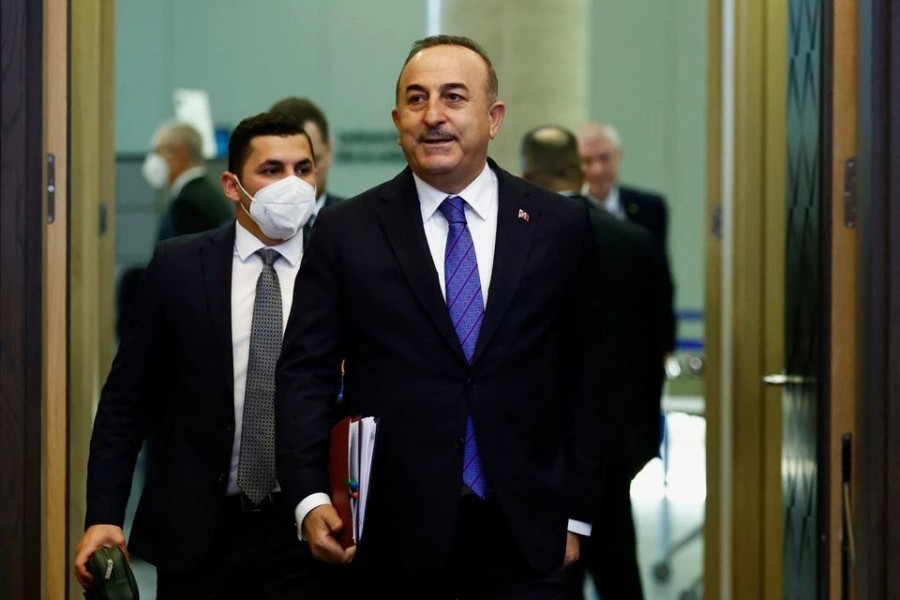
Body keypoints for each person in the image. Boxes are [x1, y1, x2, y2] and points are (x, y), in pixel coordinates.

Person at [274, 35, 607, 599]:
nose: (434, 116)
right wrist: (309, 498)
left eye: (454, 97)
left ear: (493, 116)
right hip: (386, 538)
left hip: (526, 532)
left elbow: (589, 378)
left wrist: (577, 514)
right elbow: (305, 373)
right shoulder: (346, 232)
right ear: (397, 116)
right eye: (417, 98)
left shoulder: (558, 226)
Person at [74, 112, 333, 599]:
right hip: (198, 531)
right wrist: (104, 515)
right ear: (233, 186)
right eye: (272, 170)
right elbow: (125, 403)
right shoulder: (178, 267)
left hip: (306, 530)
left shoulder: (339, 267)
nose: (292, 184)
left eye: (304, 169)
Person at [521, 125, 669, 599]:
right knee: (617, 568)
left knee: (547, 577)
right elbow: (657, 343)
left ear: (526, 172)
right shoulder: (634, 241)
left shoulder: (514, 241)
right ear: (578, 170)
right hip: (614, 446)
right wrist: (641, 439)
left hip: (536, 447)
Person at [576, 120, 676, 356]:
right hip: (585, 345)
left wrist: (665, 345)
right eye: (587, 161)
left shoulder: (650, 208)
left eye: (604, 158)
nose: (597, 169)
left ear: (619, 156)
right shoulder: (564, 211)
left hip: (639, 343)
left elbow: (660, 280)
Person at [269, 97, 346, 245]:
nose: (294, 179)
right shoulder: (239, 236)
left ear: (329, 149)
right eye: (278, 167)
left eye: (306, 165)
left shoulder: (358, 224)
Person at [143, 121, 234, 241]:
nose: (154, 159)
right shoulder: (206, 194)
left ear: (179, 154)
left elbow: (178, 256)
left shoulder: (187, 205)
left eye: (158, 151)